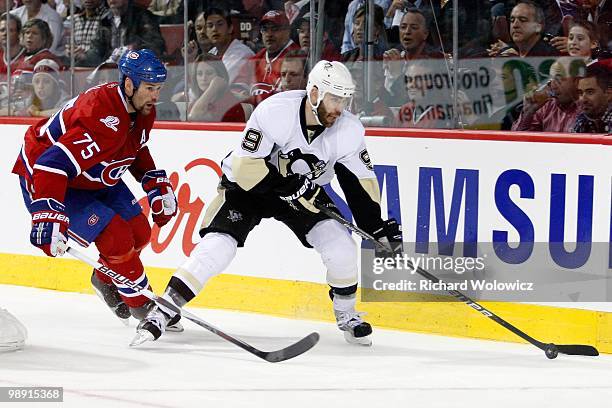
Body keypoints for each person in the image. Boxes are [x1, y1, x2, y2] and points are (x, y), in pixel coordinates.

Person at [132, 60, 402, 347]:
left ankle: (347, 314)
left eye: (344, 100)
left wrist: (376, 227)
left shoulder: (348, 129)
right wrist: (287, 185)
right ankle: (164, 310)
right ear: (314, 93)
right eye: (334, 99)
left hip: (300, 192)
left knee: (341, 247)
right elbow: (247, 167)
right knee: (217, 246)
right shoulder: (276, 112)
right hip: (250, 188)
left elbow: (359, 183)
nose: (339, 108)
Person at [11, 49, 181, 329]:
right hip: (53, 180)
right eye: (150, 88)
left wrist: (152, 180)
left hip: (92, 174)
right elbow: (50, 165)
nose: (155, 95)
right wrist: (47, 213)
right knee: (115, 236)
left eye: (158, 88)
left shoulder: (141, 108)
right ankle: (142, 305)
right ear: (129, 84)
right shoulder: (98, 116)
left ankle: (104, 279)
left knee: (139, 231)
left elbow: (134, 145)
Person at [234, 10, 300, 96]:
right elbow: (236, 89)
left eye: (274, 29)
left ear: (287, 31)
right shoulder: (255, 60)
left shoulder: (296, 57)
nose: (269, 34)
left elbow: (287, 97)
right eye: (265, 29)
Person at [173, 53, 247, 122]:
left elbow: (194, 117)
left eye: (209, 73)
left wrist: (213, 88)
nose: (204, 78)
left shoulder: (228, 101)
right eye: (199, 74)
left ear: (220, 75)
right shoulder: (198, 102)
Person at [511, 60, 581, 132]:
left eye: (558, 79)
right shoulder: (545, 106)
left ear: (577, 81)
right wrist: (528, 113)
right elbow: (517, 139)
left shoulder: (587, 109)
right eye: (551, 79)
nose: (553, 86)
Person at [487, 1, 559, 58]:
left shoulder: (550, 56)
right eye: (512, 20)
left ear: (538, 27)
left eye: (522, 20)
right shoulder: (507, 52)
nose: (515, 25)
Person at [205, 7, 254, 83]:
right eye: (210, 26)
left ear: (230, 28)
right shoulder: (211, 53)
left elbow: (221, 83)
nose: (214, 29)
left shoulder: (242, 54)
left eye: (220, 24)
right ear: (206, 32)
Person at [572, 66, 611, 133]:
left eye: (590, 92)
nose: (583, 100)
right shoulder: (582, 119)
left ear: (608, 94)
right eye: (580, 93)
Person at [0, 13, 25, 78]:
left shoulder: (28, 57)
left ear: (19, 33)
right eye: (2, 30)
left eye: (10, 30)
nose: (5, 33)